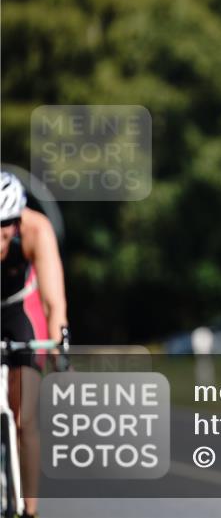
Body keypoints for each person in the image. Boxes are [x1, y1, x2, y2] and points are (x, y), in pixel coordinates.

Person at [1, 171, 69, 518]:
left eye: (4, 228)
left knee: (24, 417)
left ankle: (30, 510)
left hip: (17, 311)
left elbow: (53, 299)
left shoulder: (36, 230)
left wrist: (58, 340)